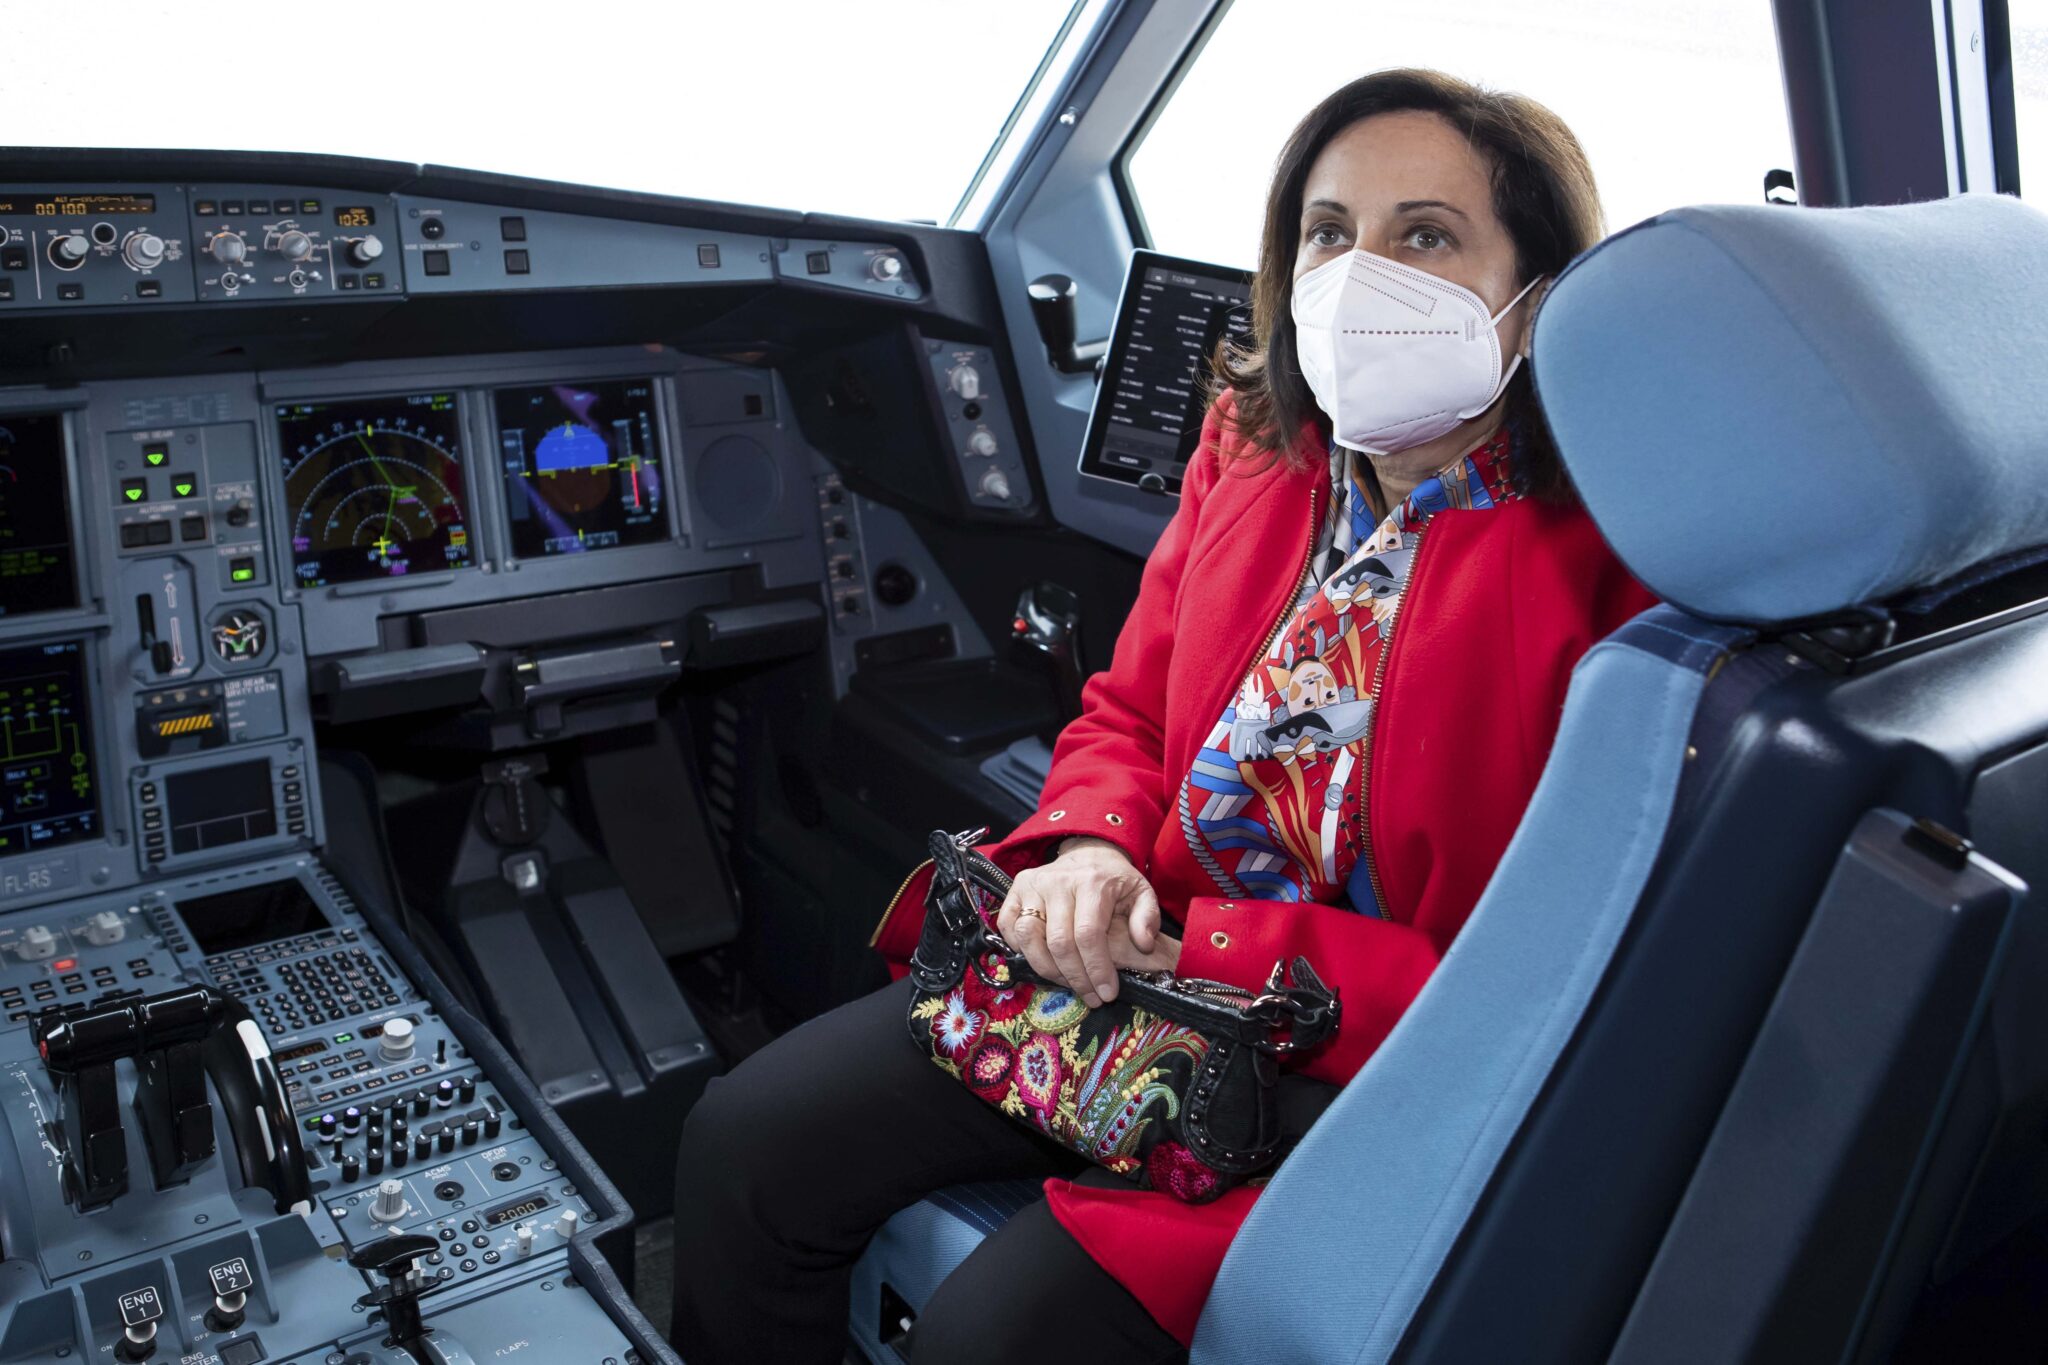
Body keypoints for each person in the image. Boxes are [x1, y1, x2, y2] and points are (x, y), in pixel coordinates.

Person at [670, 67, 1658, 1365]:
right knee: (745, 1142)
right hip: (1136, 965)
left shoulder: (1619, 559)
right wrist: (1090, 851)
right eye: (1327, 231)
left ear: (1535, 298)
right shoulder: (1256, 449)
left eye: (1425, 234)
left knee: (984, 1341)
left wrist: (1222, 953)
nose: (1362, 274)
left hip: (1360, 1071)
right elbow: (1129, 709)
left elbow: (1552, 967)